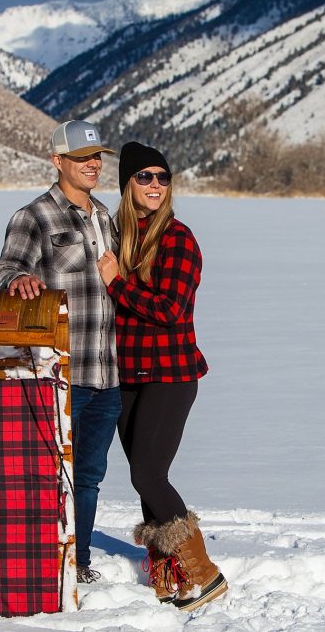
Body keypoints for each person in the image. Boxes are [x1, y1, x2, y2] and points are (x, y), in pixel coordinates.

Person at [97, 142, 227, 611]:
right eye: (144, 177)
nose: (155, 185)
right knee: (145, 479)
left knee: (147, 472)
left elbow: (171, 310)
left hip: (170, 374)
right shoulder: (120, 236)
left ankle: (204, 573)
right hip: (127, 373)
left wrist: (117, 283)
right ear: (128, 184)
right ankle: (171, 575)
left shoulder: (178, 239)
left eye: (163, 177)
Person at [0, 120, 120, 584]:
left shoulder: (106, 217)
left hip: (107, 375)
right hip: (61, 370)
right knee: (48, 473)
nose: (93, 164)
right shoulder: (34, 216)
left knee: (88, 477)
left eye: (97, 157)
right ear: (57, 161)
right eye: (83, 158)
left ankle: (78, 561)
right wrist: (17, 281)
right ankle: (41, 561)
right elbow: (5, 268)